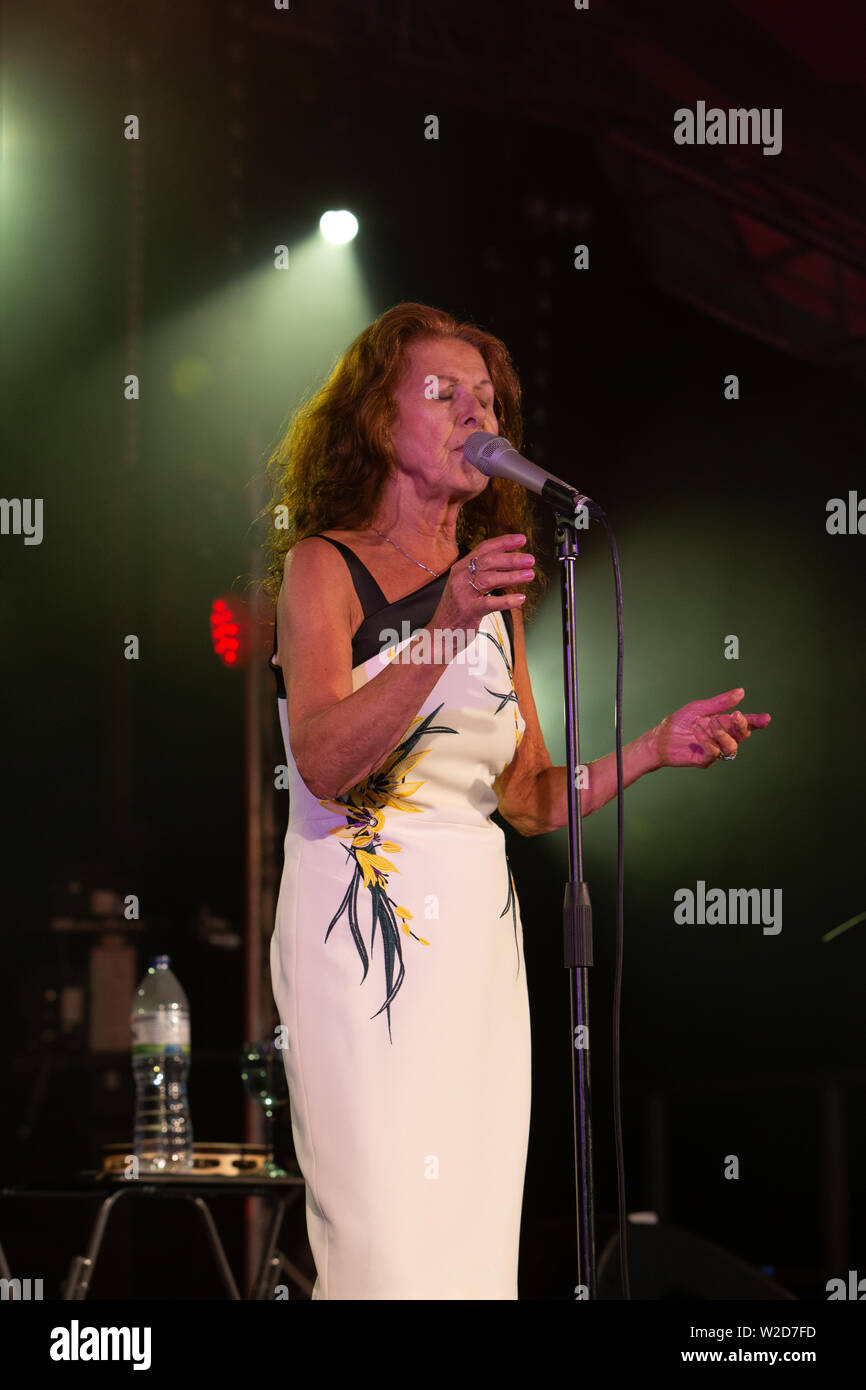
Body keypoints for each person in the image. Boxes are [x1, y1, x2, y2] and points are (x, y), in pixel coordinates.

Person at [261, 302, 770, 1300]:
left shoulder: (488, 591)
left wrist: (650, 751)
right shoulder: (323, 566)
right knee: (388, 1246)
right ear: (375, 419)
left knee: (468, 1253)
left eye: (486, 399)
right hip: (363, 938)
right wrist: (447, 622)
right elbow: (321, 760)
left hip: (478, 949)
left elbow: (530, 797)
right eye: (442, 393)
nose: (472, 414)